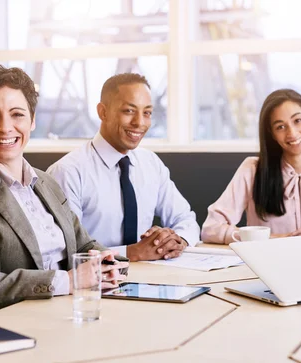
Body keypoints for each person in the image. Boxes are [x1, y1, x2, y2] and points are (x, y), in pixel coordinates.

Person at [0, 63, 128, 318]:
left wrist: (108, 263)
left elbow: (83, 243)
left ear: (32, 121)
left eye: (17, 114)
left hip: (70, 314)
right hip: (11, 328)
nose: (5, 127)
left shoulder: (46, 182)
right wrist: (67, 281)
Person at [47, 73, 199, 262]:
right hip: (95, 284)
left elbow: (186, 219)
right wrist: (131, 253)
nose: (140, 123)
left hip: (153, 277)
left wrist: (176, 241)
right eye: (129, 111)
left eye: (147, 113)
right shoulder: (67, 172)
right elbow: (65, 251)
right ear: (103, 112)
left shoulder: (150, 163)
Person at [201, 89, 301, 244]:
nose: (292, 133)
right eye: (280, 127)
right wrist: (268, 238)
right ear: (272, 133)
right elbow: (210, 229)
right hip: (264, 265)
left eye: (297, 121)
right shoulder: (252, 170)